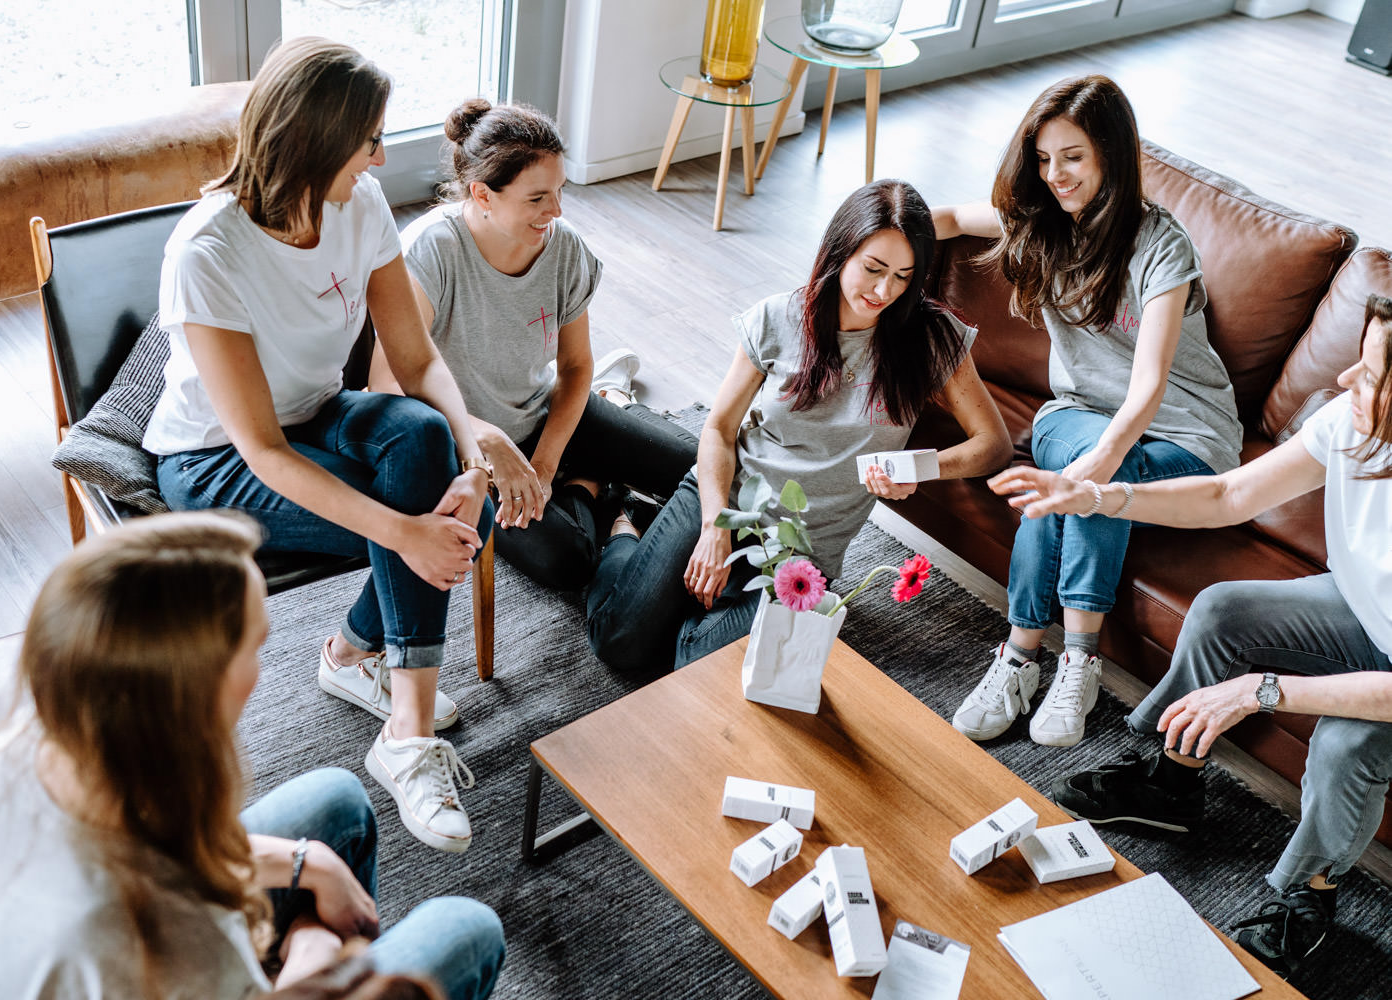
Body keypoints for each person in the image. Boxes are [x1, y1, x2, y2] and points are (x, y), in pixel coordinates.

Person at [0, 512, 505, 1000]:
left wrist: (309, 863)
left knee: (337, 800)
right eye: (255, 645)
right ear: (197, 690)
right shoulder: (147, 938)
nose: (263, 669)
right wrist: (314, 957)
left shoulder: (49, 726)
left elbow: (147, 847)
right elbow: (152, 892)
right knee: (467, 931)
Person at [141, 38, 494, 853]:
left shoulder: (360, 206)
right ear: (313, 142)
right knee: (421, 523)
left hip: (318, 408)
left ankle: (359, 661)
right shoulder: (207, 254)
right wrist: (406, 530)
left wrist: (472, 459)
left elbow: (415, 359)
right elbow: (262, 449)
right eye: (368, 139)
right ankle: (405, 731)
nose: (379, 156)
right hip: (216, 459)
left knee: (423, 436)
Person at [990, 295, 1392, 979]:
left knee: (1346, 744)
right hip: (1363, 611)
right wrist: (1096, 496)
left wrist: (1263, 691)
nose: (1348, 378)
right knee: (1221, 611)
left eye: (1375, 372)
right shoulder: (1354, 423)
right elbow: (1228, 496)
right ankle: (1170, 788)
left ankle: (1310, 898)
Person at [586, 179, 1012, 673]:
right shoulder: (778, 318)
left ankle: (675, 588)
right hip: (727, 505)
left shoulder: (932, 337)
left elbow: (993, 445)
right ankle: (623, 523)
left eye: (902, 276)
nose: (883, 291)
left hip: (802, 558)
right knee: (619, 643)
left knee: (693, 669)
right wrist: (712, 527)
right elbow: (719, 430)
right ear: (839, 251)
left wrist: (923, 469)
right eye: (873, 269)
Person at [934, 75, 1243, 748]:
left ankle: (1048, 658)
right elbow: (952, 220)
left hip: (1185, 435)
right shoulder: (1043, 224)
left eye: (1071, 156)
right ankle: (1037, 662)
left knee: (1083, 478)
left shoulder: (1164, 248)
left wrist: (1090, 475)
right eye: (1043, 160)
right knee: (1080, 467)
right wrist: (869, 244)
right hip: (1072, 414)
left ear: (1109, 151)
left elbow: (1148, 388)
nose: (1055, 175)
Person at [369, 98, 699, 591]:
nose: (557, 210)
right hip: (461, 445)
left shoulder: (563, 246)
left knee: (702, 472)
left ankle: (586, 460)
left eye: (560, 191)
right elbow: (386, 385)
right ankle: (600, 490)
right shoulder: (431, 250)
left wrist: (543, 465)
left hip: (544, 411)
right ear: (483, 194)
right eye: (537, 198)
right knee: (567, 560)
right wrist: (484, 437)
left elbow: (574, 368)